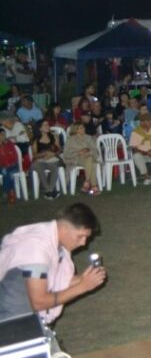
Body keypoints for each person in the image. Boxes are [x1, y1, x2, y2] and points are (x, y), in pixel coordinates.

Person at [0, 203, 106, 350]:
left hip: (26, 318)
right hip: (11, 322)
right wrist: (83, 287)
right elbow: (39, 302)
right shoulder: (36, 250)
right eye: (80, 236)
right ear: (64, 229)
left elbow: (56, 281)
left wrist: (83, 279)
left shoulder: (53, 238)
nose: (83, 243)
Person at [62, 124, 100, 195]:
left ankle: (87, 182)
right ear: (76, 130)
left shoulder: (89, 138)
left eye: (83, 128)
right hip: (75, 159)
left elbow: (95, 150)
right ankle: (93, 185)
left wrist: (88, 151)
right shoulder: (70, 139)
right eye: (81, 128)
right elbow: (66, 154)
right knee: (92, 163)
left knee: (90, 159)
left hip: (88, 156)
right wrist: (78, 152)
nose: (83, 129)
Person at [29, 121, 63, 199]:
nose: (48, 126)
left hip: (52, 159)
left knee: (55, 167)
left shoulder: (53, 137)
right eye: (45, 125)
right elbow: (34, 155)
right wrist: (43, 154)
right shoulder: (35, 139)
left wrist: (53, 154)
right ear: (40, 128)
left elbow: (60, 150)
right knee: (38, 166)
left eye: (48, 124)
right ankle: (50, 191)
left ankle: (48, 191)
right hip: (40, 160)